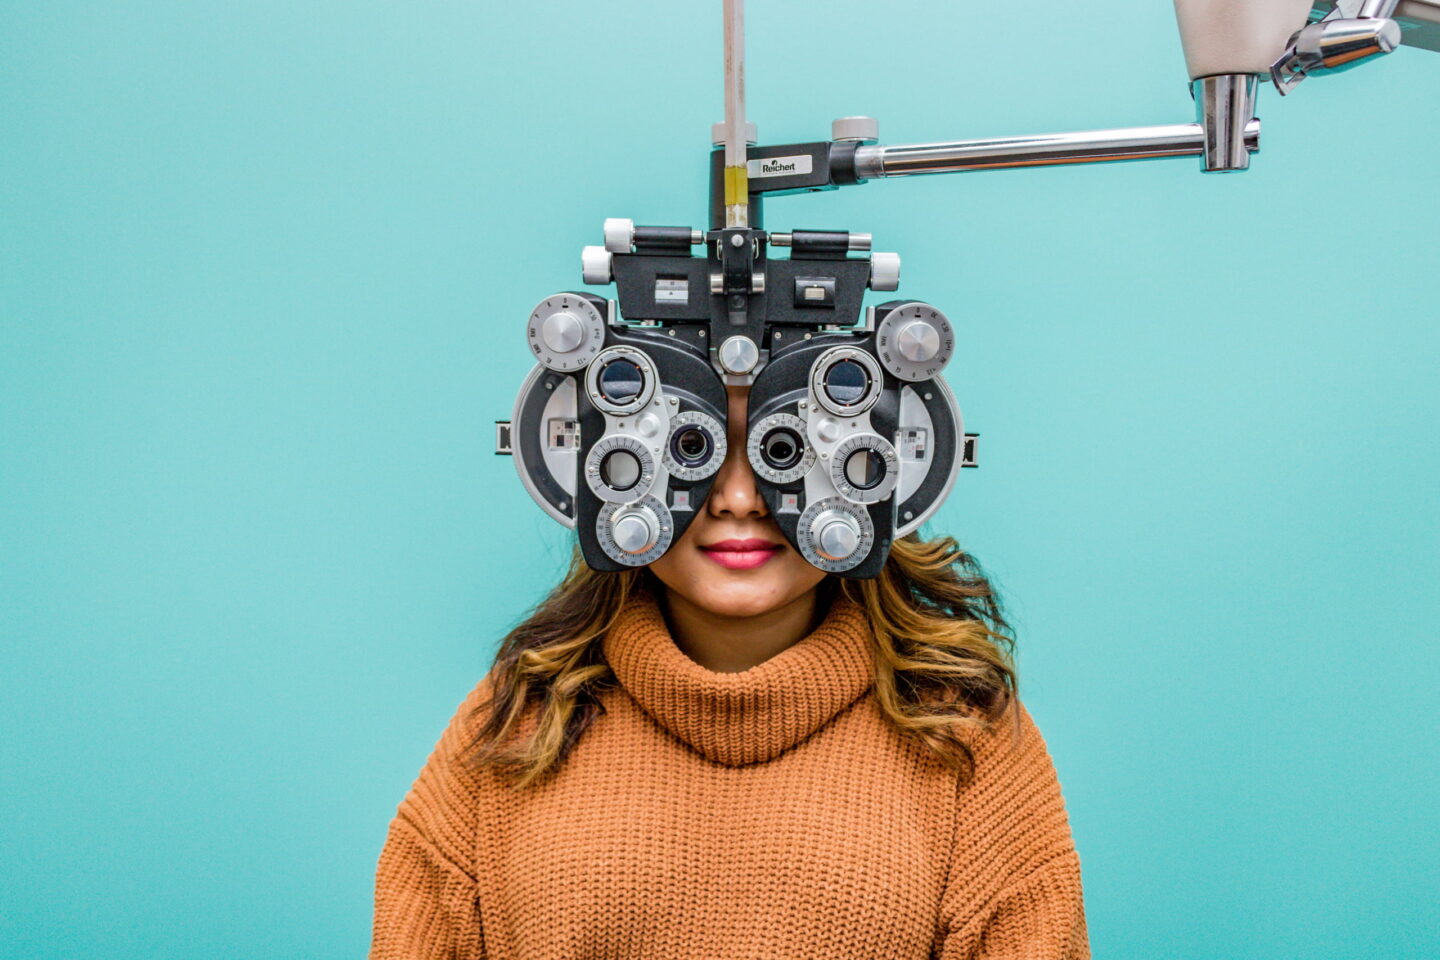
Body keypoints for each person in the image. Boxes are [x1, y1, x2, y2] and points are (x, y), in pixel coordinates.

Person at [369, 384, 1088, 959]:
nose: (739, 498)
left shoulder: (968, 741)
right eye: (692, 448)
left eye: (788, 451)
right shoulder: (514, 727)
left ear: (873, 471)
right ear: (609, 470)